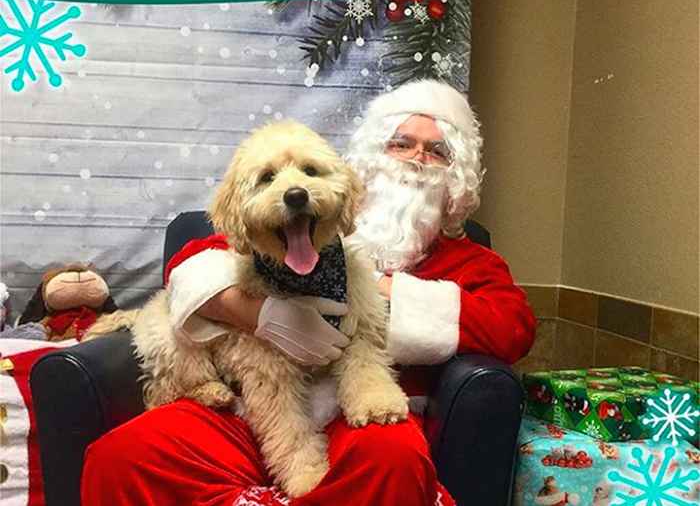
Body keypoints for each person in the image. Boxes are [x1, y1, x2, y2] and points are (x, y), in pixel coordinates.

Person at [81, 79, 537, 506]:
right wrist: (253, 312)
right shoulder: (284, 222)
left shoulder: (469, 259)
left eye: (436, 150)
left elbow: (512, 327)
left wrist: (379, 290)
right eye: (401, 143)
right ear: (371, 155)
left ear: (457, 175)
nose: (416, 158)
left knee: (394, 462)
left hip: (359, 419)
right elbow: (192, 264)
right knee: (122, 454)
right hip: (247, 406)